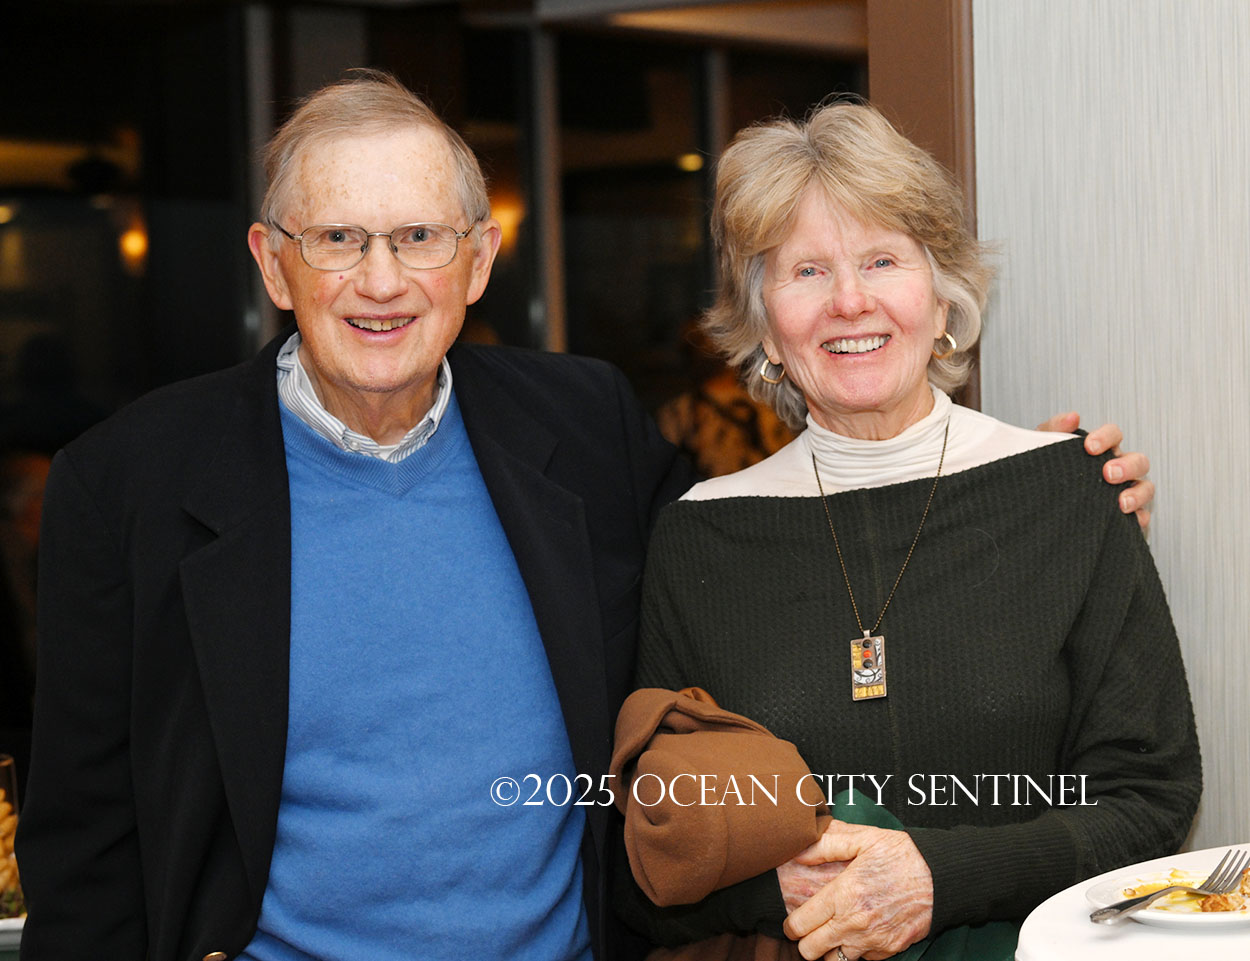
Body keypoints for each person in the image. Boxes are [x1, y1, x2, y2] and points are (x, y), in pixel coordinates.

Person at [15, 73, 1151, 961]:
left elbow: (781, 551)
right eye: (338, 239)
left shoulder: (583, 429)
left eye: (418, 237)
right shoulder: (130, 485)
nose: (381, 279)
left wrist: (1031, 496)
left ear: (478, 261)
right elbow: (83, 838)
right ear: (275, 264)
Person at [622, 101, 1198, 961]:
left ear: (942, 299)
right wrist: (773, 887)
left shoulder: (1068, 495)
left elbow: (1151, 798)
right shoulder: (699, 538)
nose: (850, 300)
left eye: (882, 260)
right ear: (766, 326)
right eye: (807, 271)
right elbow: (647, 855)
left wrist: (940, 877)